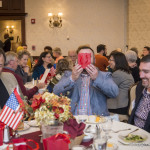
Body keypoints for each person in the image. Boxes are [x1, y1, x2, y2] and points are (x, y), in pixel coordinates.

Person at [53, 46, 119, 116]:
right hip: (74, 120)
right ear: (77, 60)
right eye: (82, 57)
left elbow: (114, 92)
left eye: (88, 56)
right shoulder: (69, 74)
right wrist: (72, 78)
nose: (85, 60)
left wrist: (97, 78)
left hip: (97, 120)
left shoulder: (104, 75)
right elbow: (55, 92)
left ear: (94, 60)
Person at [107, 51, 134, 115]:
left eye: (111, 60)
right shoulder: (126, 72)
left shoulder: (118, 74)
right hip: (124, 105)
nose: (108, 61)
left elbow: (108, 90)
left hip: (118, 107)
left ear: (118, 61)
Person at [128, 55, 150, 132]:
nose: (141, 75)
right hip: (132, 134)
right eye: (140, 70)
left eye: (146, 72)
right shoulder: (140, 87)